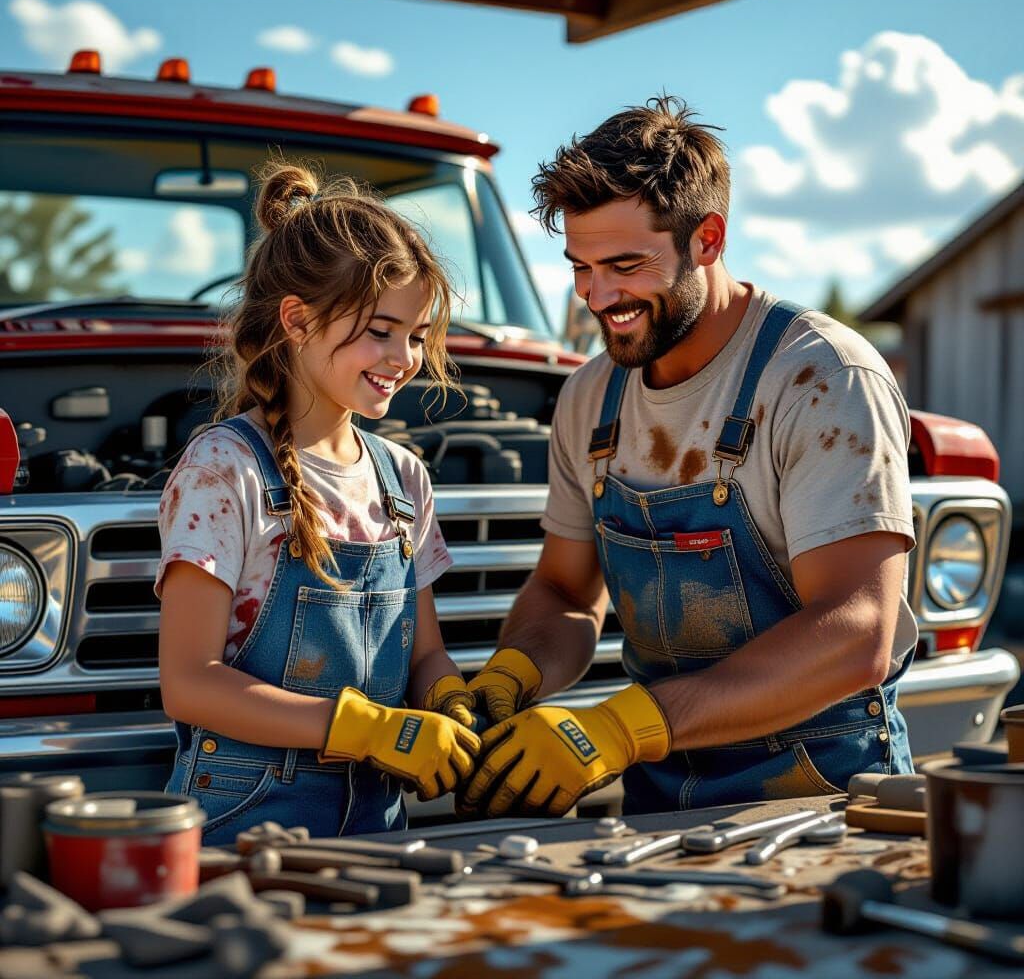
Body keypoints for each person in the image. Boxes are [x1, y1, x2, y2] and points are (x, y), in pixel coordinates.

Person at [460, 98, 916, 818]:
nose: (598, 297)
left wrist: (622, 725)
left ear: (707, 238)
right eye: (580, 267)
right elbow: (567, 593)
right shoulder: (591, 397)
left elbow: (857, 631)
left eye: (625, 265)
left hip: (821, 801)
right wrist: (516, 670)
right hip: (660, 795)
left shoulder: (820, 379)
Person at [158, 164, 480, 843]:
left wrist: (450, 701)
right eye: (381, 331)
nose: (405, 357)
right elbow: (188, 683)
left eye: (418, 335)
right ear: (298, 320)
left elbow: (425, 655)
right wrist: (361, 727)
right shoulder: (223, 470)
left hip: (378, 829)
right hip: (242, 829)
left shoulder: (405, 479)